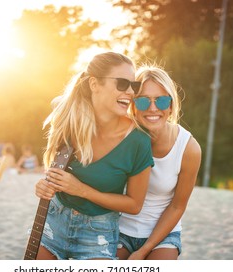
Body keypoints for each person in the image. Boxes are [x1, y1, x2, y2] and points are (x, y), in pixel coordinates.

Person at [37, 64, 201, 260]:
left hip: (162, 234)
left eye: (162, 101)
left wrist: (143, 250)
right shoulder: (122, 133)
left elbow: (177, 207)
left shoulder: (188, 148)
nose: (153, 109)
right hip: (119, 227)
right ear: (132, 103)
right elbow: (66, 104)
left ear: (172, 105)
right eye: (142, 102)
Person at [34, 52, 154, 260]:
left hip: (98, 233)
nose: (130, 92)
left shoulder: (138, 141)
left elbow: (134, 205)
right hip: (55, 221)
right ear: (94, 84)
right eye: (122, 83)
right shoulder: (70, 121)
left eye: (133, 86)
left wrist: (82, 190)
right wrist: (44, 185)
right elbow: (54, 171)